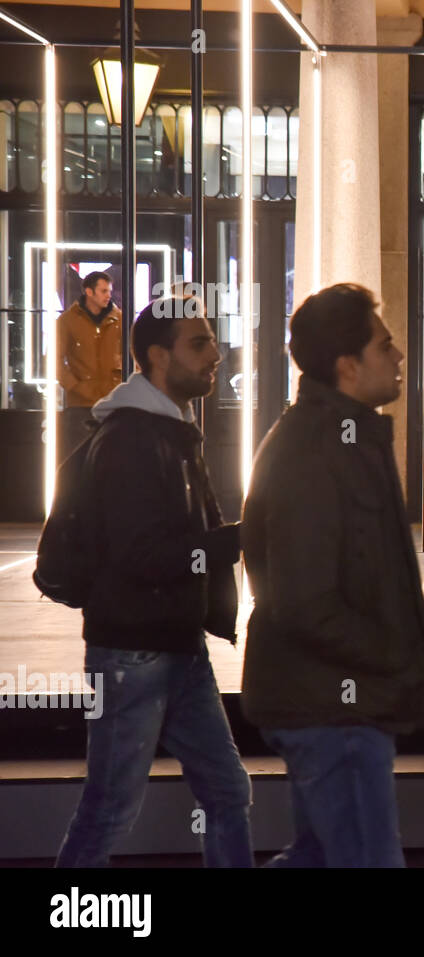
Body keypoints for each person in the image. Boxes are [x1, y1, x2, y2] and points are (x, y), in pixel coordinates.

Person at [240, 282, 424, 868]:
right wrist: (393, 653)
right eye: (386, 345)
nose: (400, 355)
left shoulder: (346, 437)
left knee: (319, 855)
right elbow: (304, 602)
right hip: (333, 709)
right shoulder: (315, 452)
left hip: (335, 700)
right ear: (348, 366)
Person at [55, 295, 251, 868]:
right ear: (158, 357)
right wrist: (233, 541)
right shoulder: (133, 440)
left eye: (212, 340)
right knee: (111, 806)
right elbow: (144, 557)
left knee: (227, 791)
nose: (216, 353)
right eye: (200, 343)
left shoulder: (170, 429)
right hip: (133, 653)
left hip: (174, 644)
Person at [56, 271, 122, 462]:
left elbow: (135, 355)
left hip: (113, 401)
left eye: (109, 290)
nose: (108, 295)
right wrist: (76, 386)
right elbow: (54, 360)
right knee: (79, 458)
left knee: (113, 458)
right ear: (89, 292)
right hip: (80, 405)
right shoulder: (67, 321)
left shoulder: (120, 320)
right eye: (103, 291)